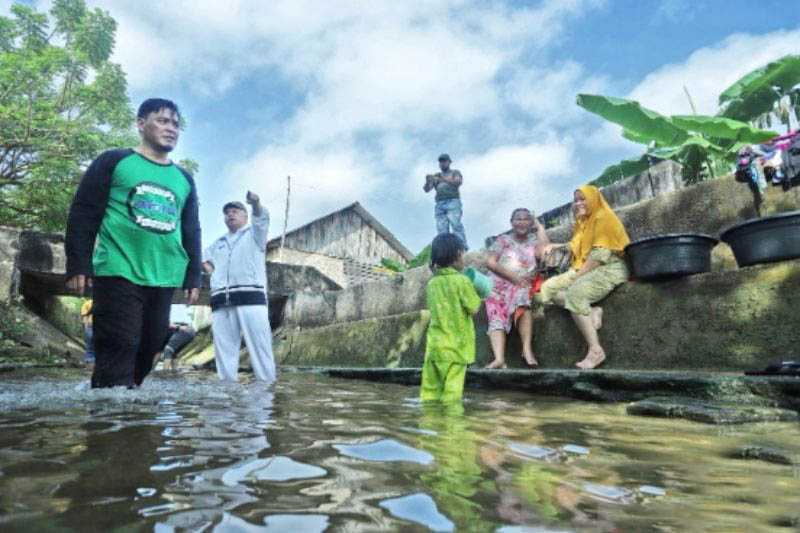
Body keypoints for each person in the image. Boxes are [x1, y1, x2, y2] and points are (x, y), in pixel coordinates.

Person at [65, 98, 202, 388]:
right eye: (163, 121)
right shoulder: (114, 161)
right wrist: (78, 262)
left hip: (164, 275)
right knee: (120, 343)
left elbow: (191, 229)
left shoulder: (184, 179)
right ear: (141, 124)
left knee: (151, 345)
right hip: (118, 268)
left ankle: (122, 400)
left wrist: (193, 275)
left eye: (176, 124)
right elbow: (84, 212)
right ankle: (111, 419)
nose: (172, 128)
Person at [536, 185, 630, 369]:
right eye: (576, 200)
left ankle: (596, 350)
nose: (578, 203)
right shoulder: (583, 222)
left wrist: (577, 277)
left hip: (609, 267)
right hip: (585, 267)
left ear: (594, 199)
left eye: (582, 198)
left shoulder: (603, 218)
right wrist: (555, 246)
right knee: (549, 289)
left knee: (575, 294)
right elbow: (576, 245)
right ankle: (592, 310)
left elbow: (599, 256)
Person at [203, 191, 276, 383]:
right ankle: (227, 390)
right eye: (227, 212)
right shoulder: (218, 243)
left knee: (260, 347)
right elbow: (203, 259)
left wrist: (256, 203)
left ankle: (266, 388)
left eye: (235, 211)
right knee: (224, 351)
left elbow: (261, 217)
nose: (230, 214)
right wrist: (215, 274)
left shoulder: (255, 234)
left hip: (251, 299)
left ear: (245, 216)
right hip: (221, 301)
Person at [420, 233, 483, 403]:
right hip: (456, 349)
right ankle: (453, 429)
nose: (464, 259)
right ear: (456, 255)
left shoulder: (432, 284)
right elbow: (474, 307)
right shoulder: (462, 281)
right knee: (452, 397)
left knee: (429, 394)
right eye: (463, 254)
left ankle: (428, 424)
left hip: (434, 348)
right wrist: (479, 292)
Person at [484, 208, 550, 369]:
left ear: (531, 222)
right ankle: (499, 359)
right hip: (500, 282)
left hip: (522, 285)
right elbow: (490, 262)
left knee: (522, 296)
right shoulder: (502, 240)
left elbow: (545, 254)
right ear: (511, 222)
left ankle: (527, 350)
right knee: (494, 302)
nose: (521, 222)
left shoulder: (534, 241)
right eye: (517, 219)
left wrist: (539, 228)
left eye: (526, 219)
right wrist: (513, 277)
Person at [424, 153, 468, 248]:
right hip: (440, 203)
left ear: (449, 162)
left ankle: (462, 248)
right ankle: (445, 250)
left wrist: (442, 179)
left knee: (456, 224)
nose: (442, 164)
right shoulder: (436, 175)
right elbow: (427, 189)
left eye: (444, 161)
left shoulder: (454, 172)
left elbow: (458, 182)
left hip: (453, 201)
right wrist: (428, 181)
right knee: (441, 229)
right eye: (440, 162)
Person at [80, 298, 95, 368]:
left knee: (90, 346)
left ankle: (90, 364)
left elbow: (84, 317)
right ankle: (90, 364)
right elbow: (85, 316)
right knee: (91, 346)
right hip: (91, 327)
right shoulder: (88, 303)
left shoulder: (87, 303)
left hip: (91, 327)